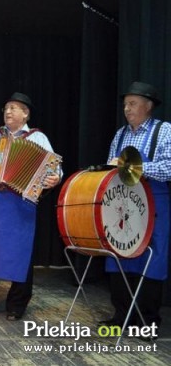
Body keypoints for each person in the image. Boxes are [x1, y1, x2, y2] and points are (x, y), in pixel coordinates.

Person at [0, 92, 61, 321]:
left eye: (14, 108)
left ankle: (16, 306)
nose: (8, 112)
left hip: (21, 206)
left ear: (25, 114)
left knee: (20, 253)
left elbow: (55, 170)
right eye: (6, 108)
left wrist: (54, 178)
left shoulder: (39, 139)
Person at [101, 81, 170, 334]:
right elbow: (112, 167)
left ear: (148, 106)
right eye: (125, 105)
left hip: (153, 201)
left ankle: (148, 322)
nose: (127, 109)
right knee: (120, 254)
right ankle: (121, 316)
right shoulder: (120, 134)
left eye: (132, 104)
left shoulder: (163, 131)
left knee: (152, 258)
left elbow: (168, 168)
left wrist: (132, 167)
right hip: (123, 202)